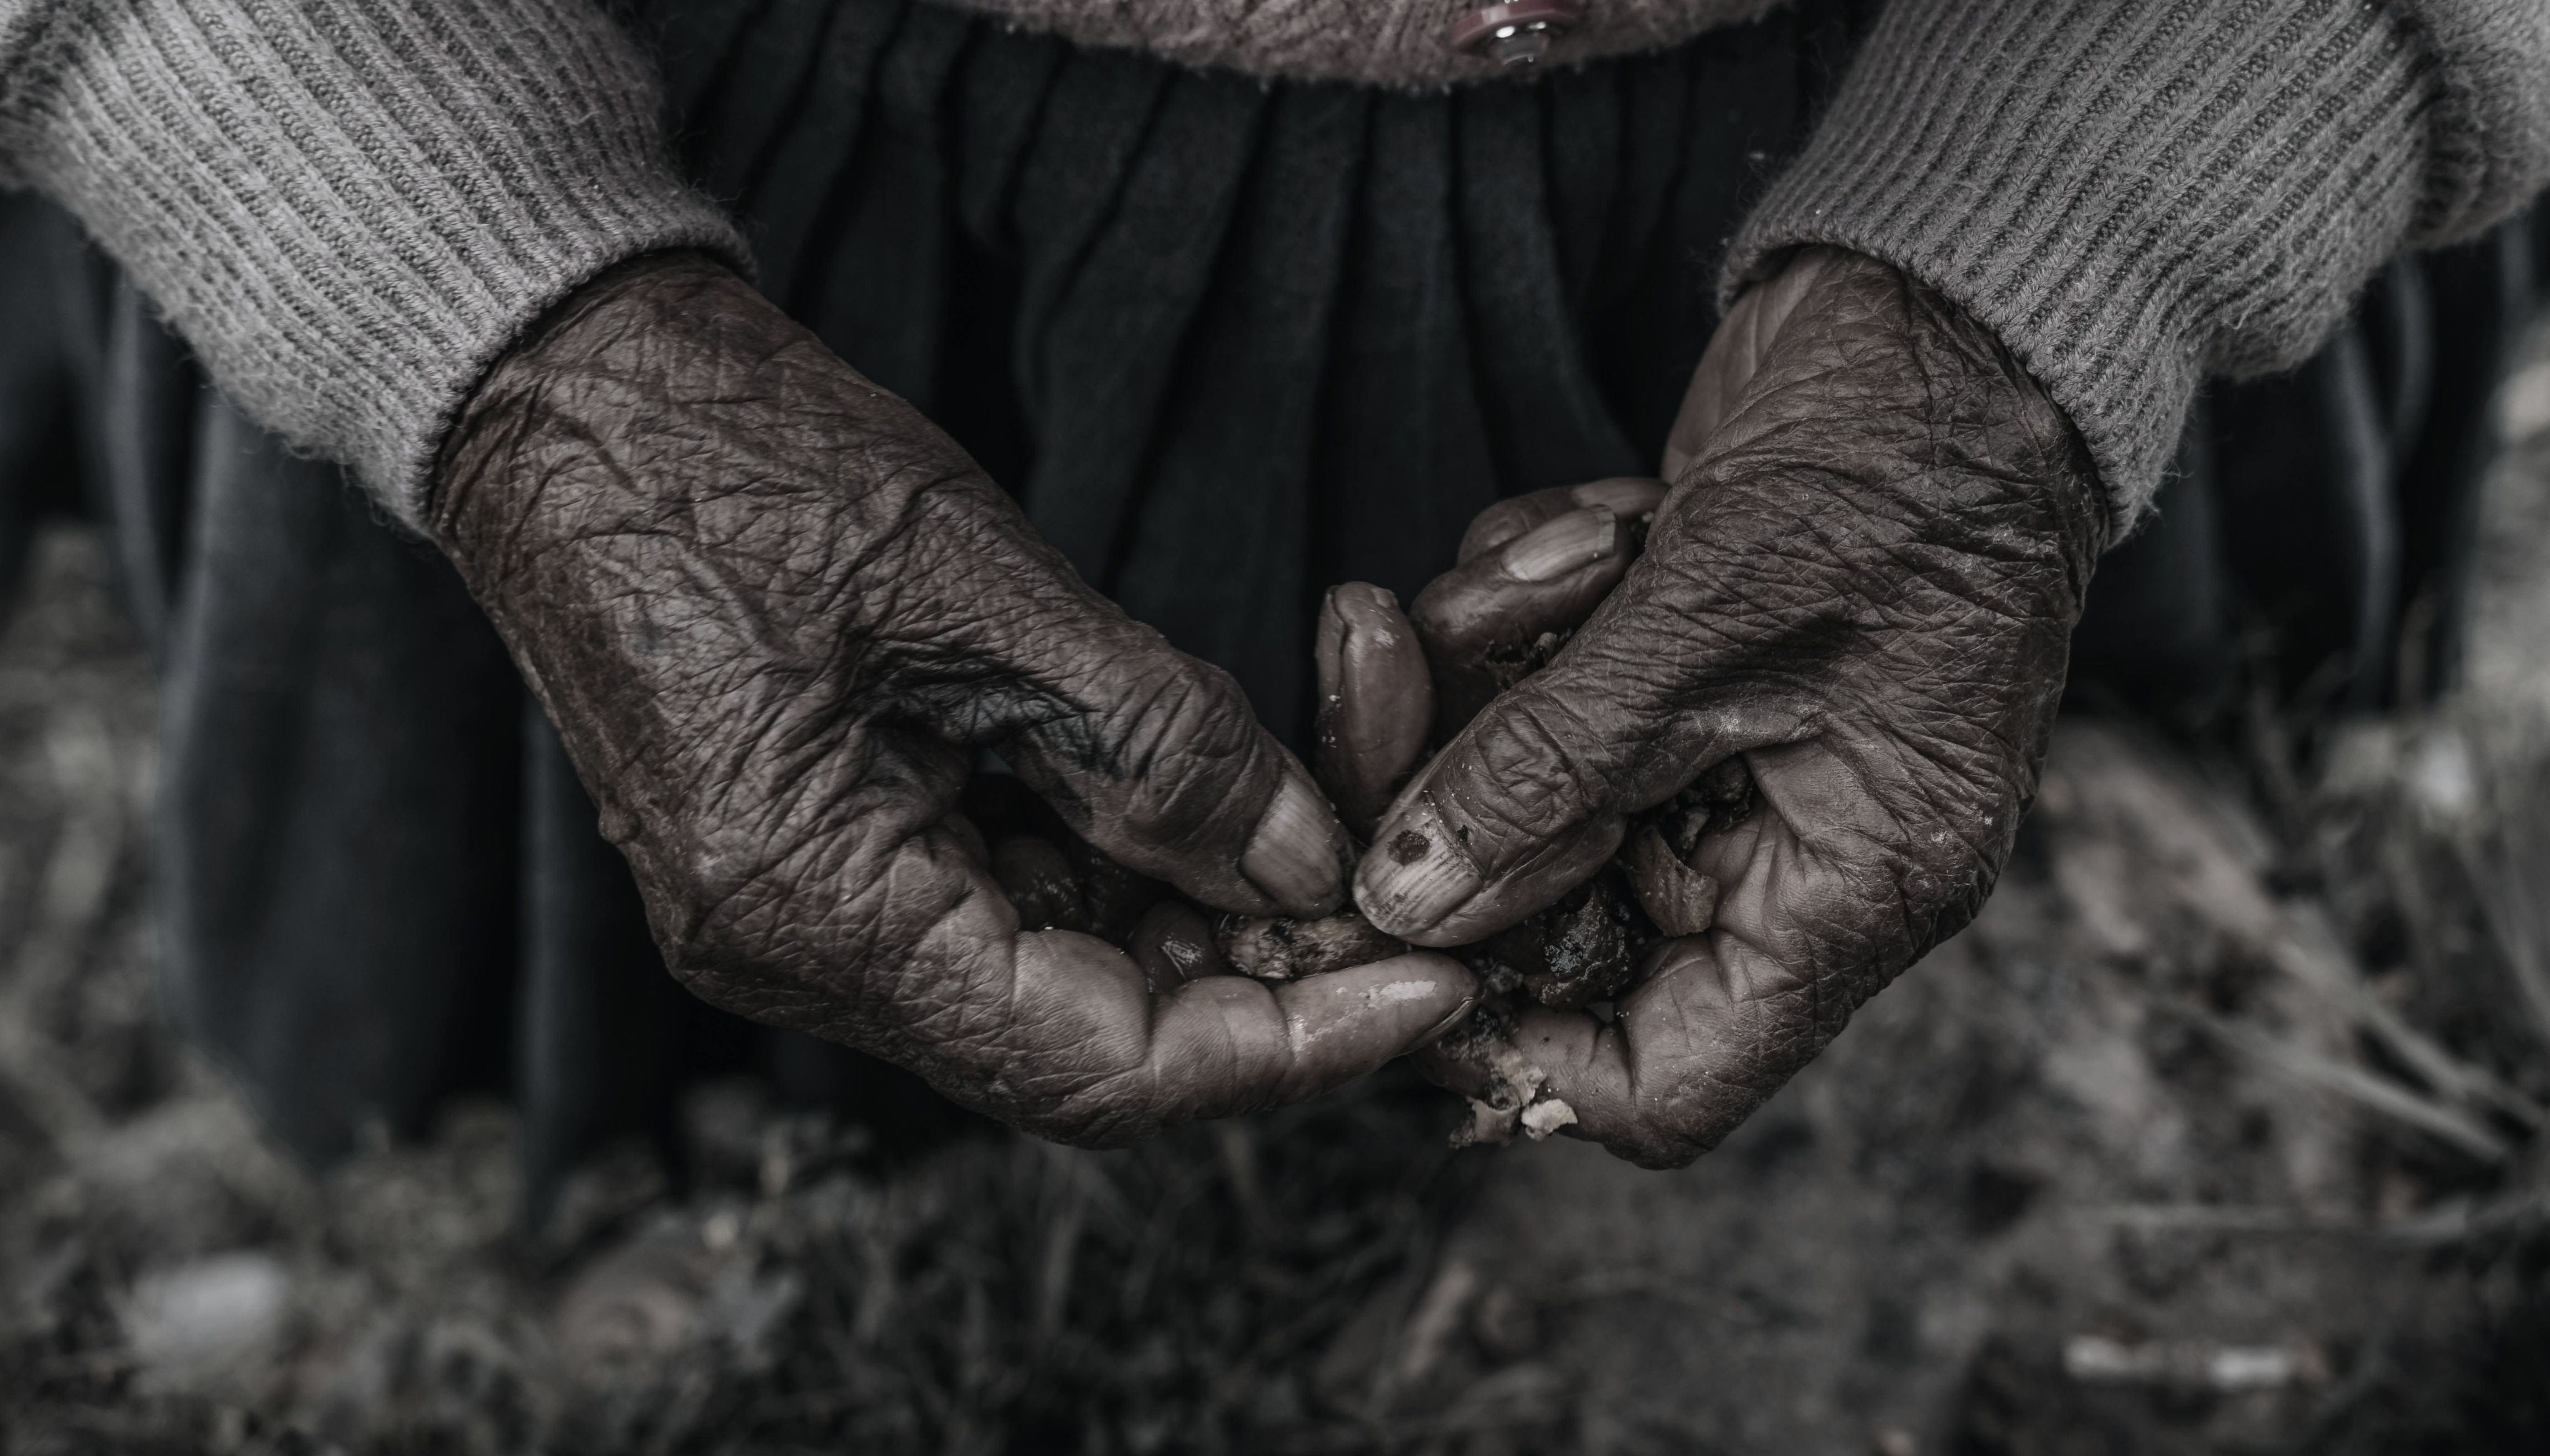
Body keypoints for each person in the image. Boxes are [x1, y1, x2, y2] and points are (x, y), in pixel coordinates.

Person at [0, 0, 2541, 1191]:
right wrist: (411, 210)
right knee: (695, 1105)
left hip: (1995, 90)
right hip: (629, 137)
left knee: (2013, 1015)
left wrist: (2115, 185)